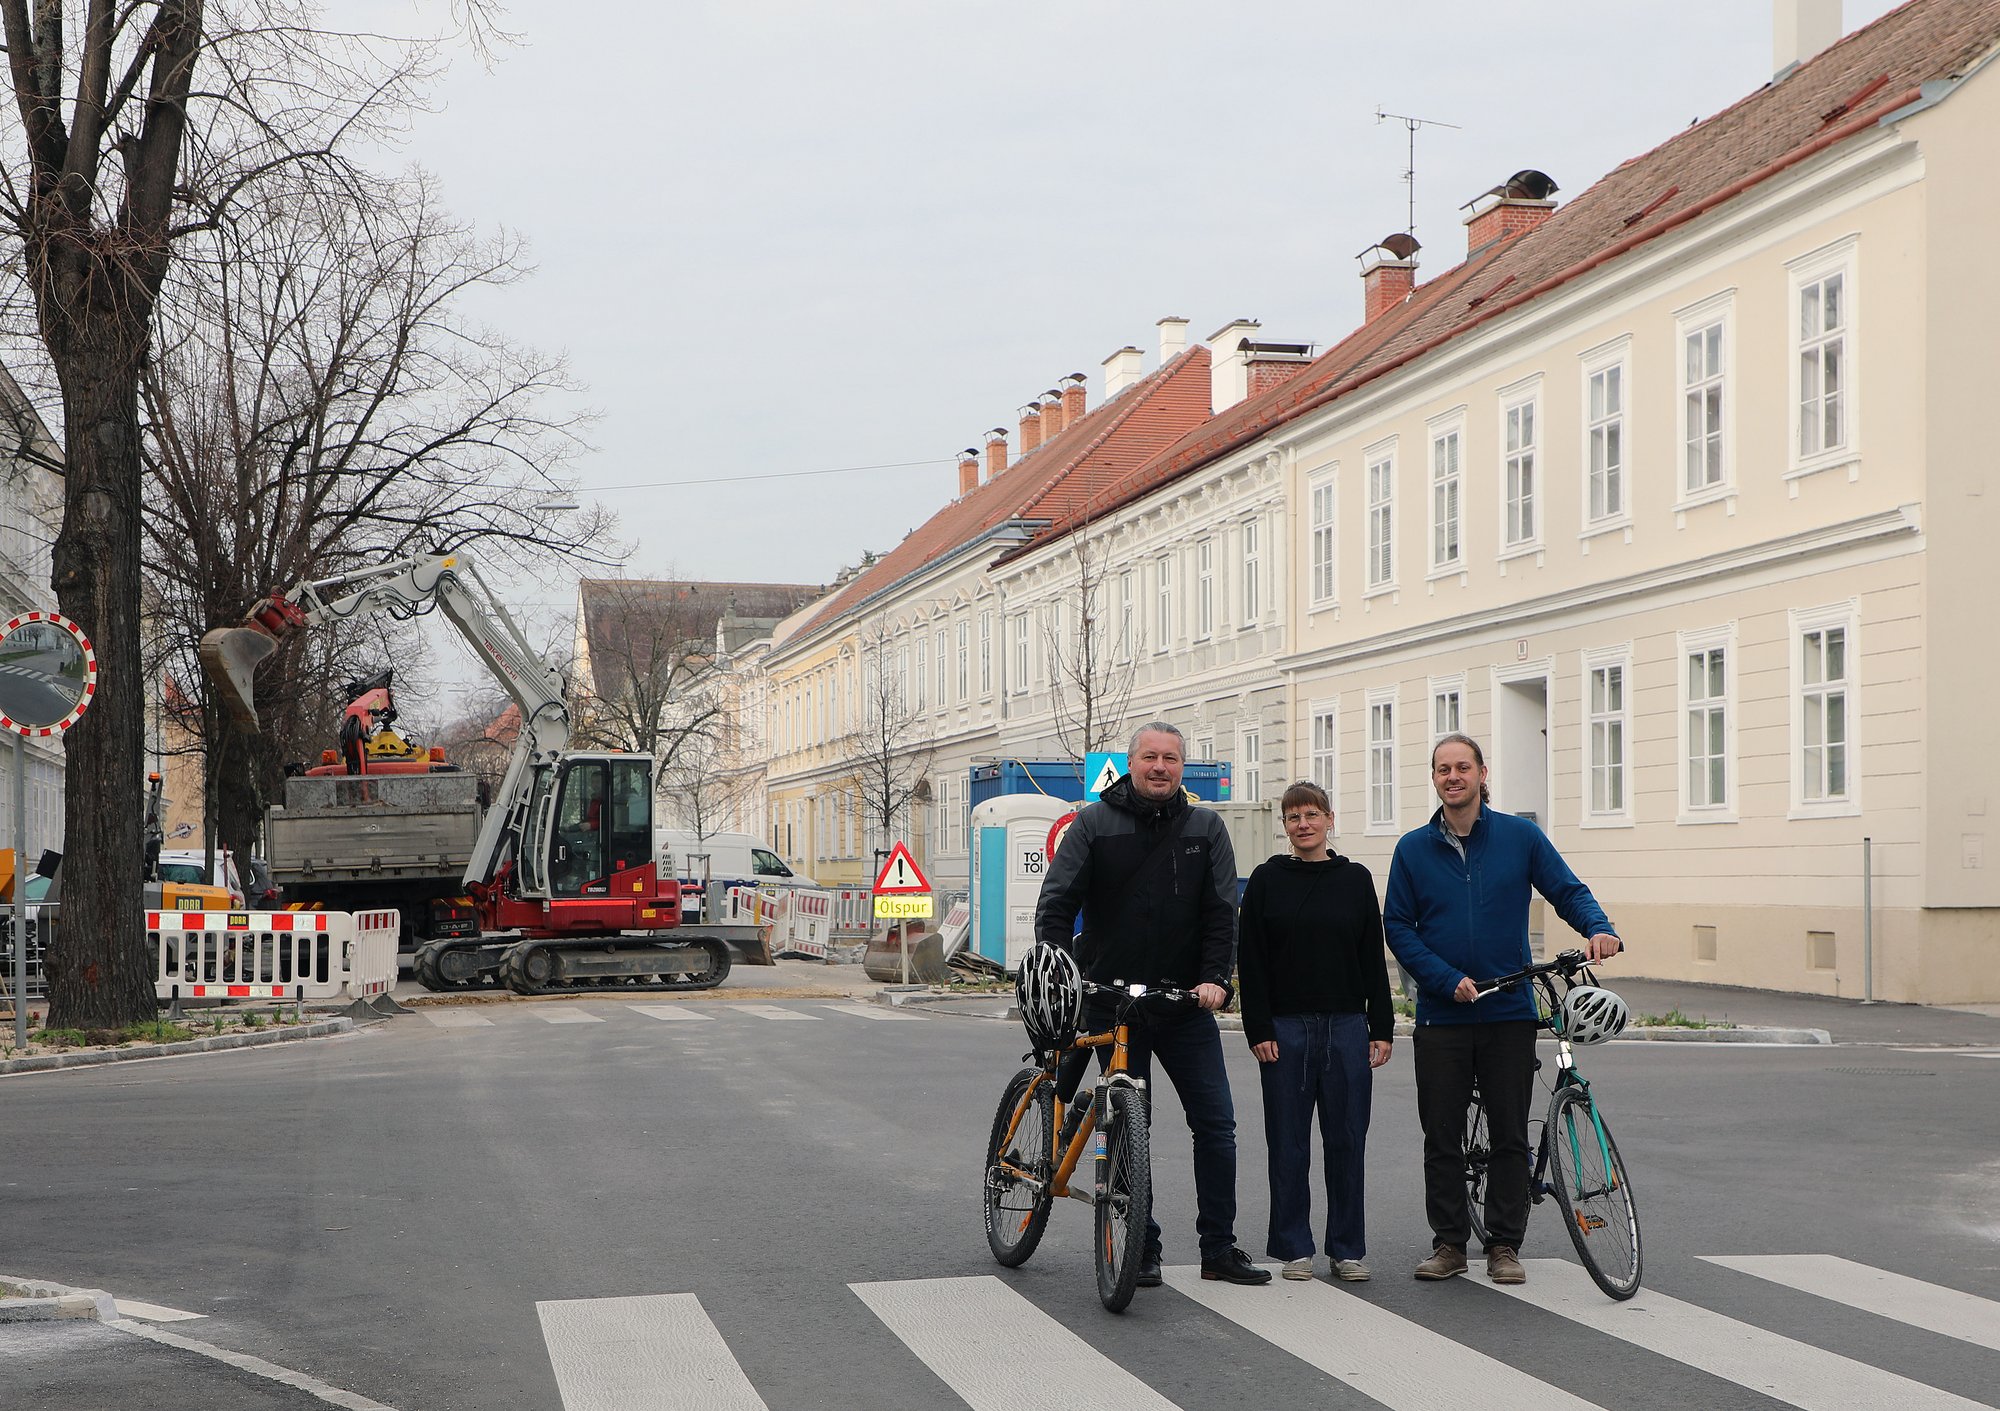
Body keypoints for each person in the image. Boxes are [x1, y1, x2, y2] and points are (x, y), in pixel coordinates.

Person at [1034, 721, 1271, 1288]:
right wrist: (1062, 972)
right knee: (1124, 1126)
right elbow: (1057, 904)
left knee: (1216, 1125)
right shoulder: (1093, 823)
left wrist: (1215, 978)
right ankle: (1141, 1242)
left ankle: (1218, 1247)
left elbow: (1221, 911)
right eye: (1149, 757)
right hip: (1110, 1003)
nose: (1159, 767)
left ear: (1182, 768)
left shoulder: (1204, 826)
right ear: (1132, 763)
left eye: (1170, 758)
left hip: (1183, 1002)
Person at [1384, 733, 1620, 1287]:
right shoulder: (1413, 849)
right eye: (1443, 769)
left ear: (1482, 773)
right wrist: (1445, 981)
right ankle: (1448, 1244)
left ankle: (1504, 1245)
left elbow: (1567, 889)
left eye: (1462, 767)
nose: (1453, 777)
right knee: (1442, 1136)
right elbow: (1398, 927)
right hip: (1443, 1016)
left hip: (1509, 1010)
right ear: (1435, 778)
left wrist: (1598, 927)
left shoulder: (1520, 836)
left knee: (1511, 1132)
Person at [1237, 781, 1393, 1283]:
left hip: (1347, 1025)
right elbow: (1252, 959)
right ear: (1283, 826)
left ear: (1329, 818)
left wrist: (1381, 1025)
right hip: (1285, 1029)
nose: (1302, 824)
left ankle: (1346, 1248)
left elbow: (1373, 955)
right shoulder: (1266, 880)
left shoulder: (1355, 879)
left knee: (1347, 1139)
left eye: (1311, 814)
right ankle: (1294, 1246)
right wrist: (1257, 1025)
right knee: (1287, 1141)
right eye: (1292, 817)